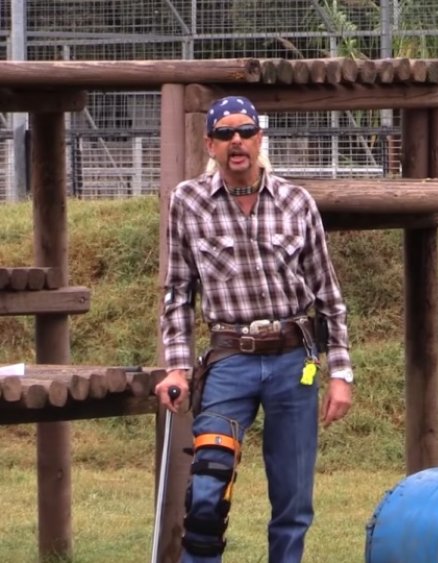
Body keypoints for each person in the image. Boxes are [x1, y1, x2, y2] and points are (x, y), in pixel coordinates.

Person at [154, 95, 355, 562]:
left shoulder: (296, 202)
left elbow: (328, 294)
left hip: (293, 362)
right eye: (224, 134)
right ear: (210, 144)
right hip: (229, 358)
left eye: (245, 131)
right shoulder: (187, 202)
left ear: (260, 138)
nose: (236, 141)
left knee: (293, 500)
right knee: (208, 480)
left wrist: (340, 373)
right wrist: (178, 368)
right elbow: (177, 293)